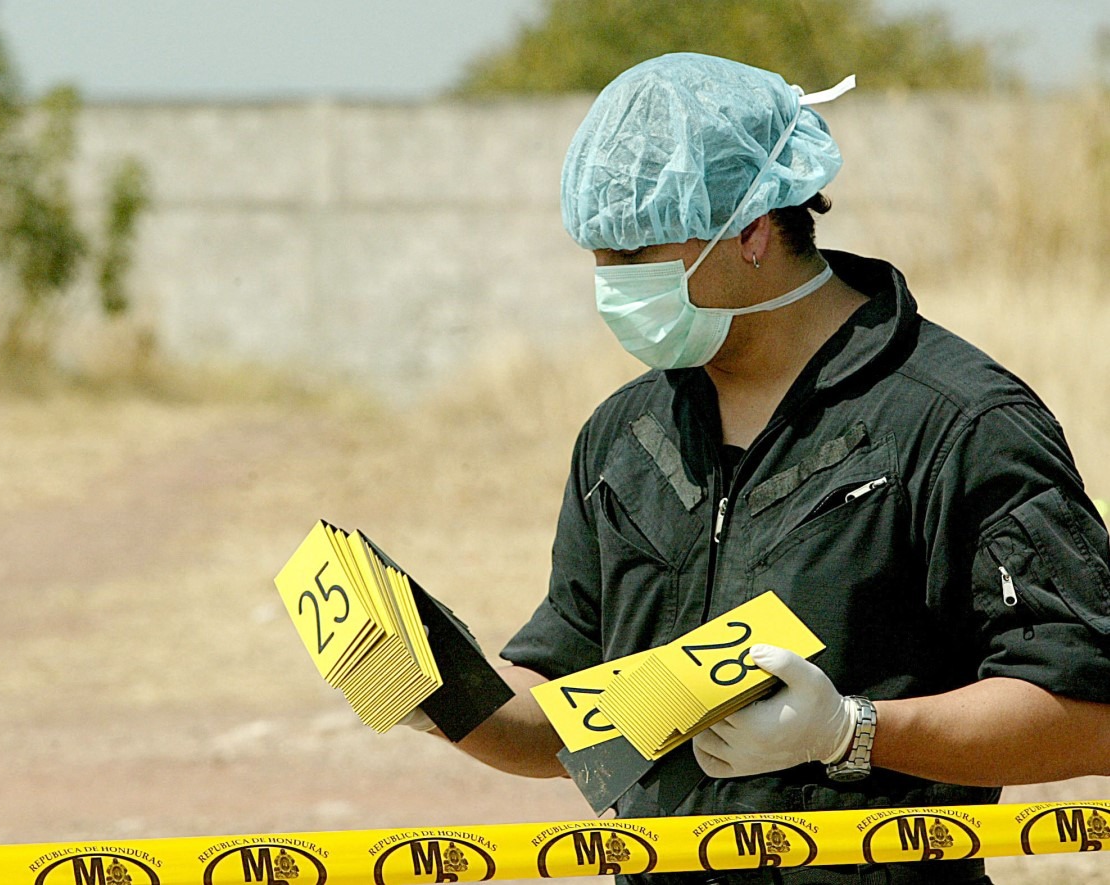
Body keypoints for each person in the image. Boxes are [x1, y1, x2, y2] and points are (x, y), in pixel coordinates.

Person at [424, 53, 1110, 884]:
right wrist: (445, 696)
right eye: (597, 255)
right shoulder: (625, 436)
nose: (611, 286)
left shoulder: (959, 423)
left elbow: (1088, 715)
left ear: (751, 229)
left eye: (638, 253)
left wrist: (851, 730)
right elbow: (575, 721)